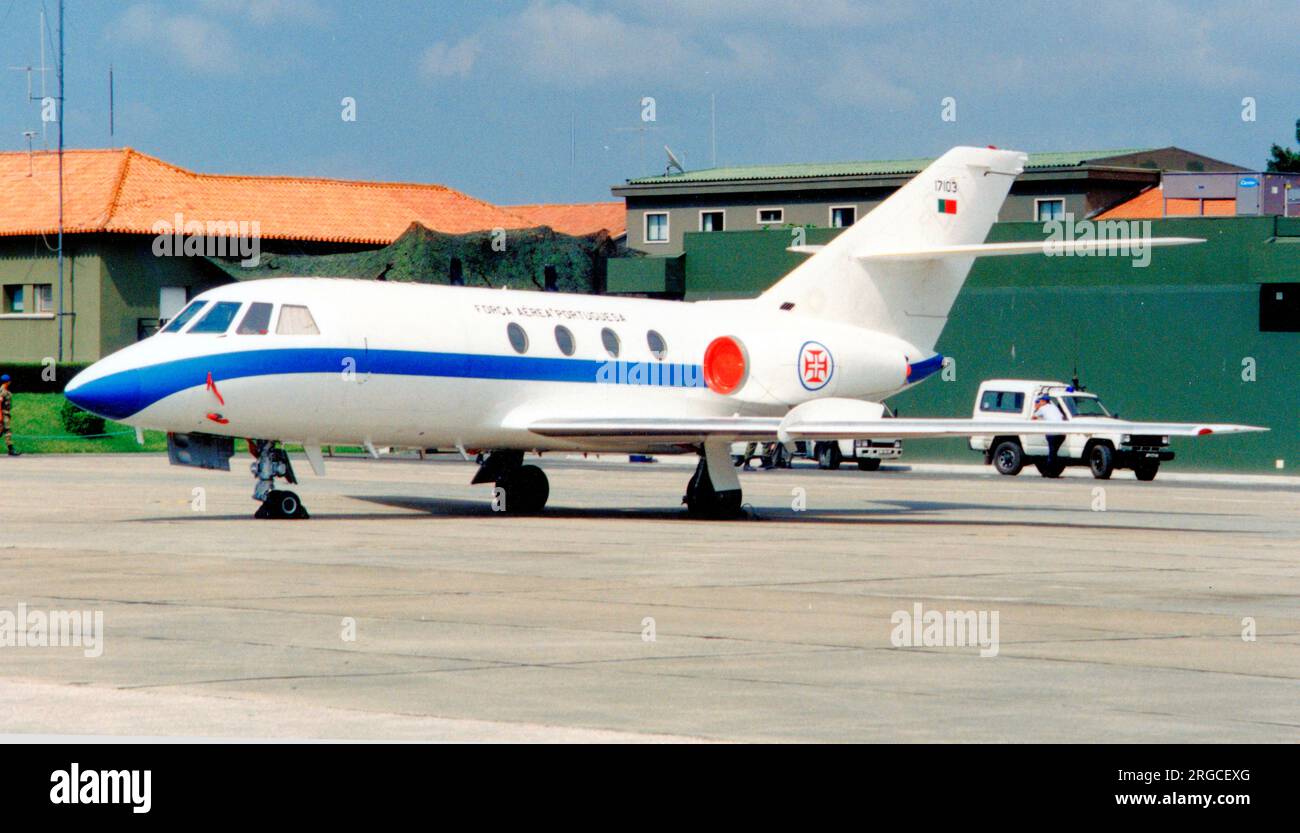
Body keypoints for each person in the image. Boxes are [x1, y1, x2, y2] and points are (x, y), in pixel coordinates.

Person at [1031, 393, 1065, 468]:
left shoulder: (1042, 408)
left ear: (1043, 401)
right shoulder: (1054, 407)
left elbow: (1033, 418)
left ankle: (1049, 469)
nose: (1039, 402)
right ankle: (1053, 467)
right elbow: (1061, 417)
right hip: (1062, 433)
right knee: (1054, 452)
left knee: (1052, 452)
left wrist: (1036, 408)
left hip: (1052, 433)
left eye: (1040, 401)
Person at [0, 374, 18, 457]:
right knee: (7, 431)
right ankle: (11, 450)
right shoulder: (3, 391)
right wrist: (0, 415)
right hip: (3, 414)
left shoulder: (3, 390)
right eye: (9, 381)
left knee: (4, 431)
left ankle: (11, 449)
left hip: (5, 414)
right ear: (7, 382)